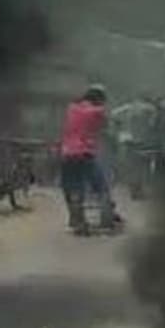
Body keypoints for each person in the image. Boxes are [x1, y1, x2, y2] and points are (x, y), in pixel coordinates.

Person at [60, 85, 118, 236]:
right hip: (86, 153)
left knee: (73, 188)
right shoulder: (98, 111)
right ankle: (107, 220)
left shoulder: (71, 108)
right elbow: (106, 129)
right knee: (101, 187)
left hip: (67, 153)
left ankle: (77, 221)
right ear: (99, 99)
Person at [110, 97, 160, 200]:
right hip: (143, 141)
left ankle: (134, 190)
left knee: (132, 167)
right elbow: (154, 122)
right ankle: (138, 190)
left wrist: (118, 127)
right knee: (142, 167)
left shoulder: (126, 108)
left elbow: (113, 114)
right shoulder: (150, 108)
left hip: (129, 141)